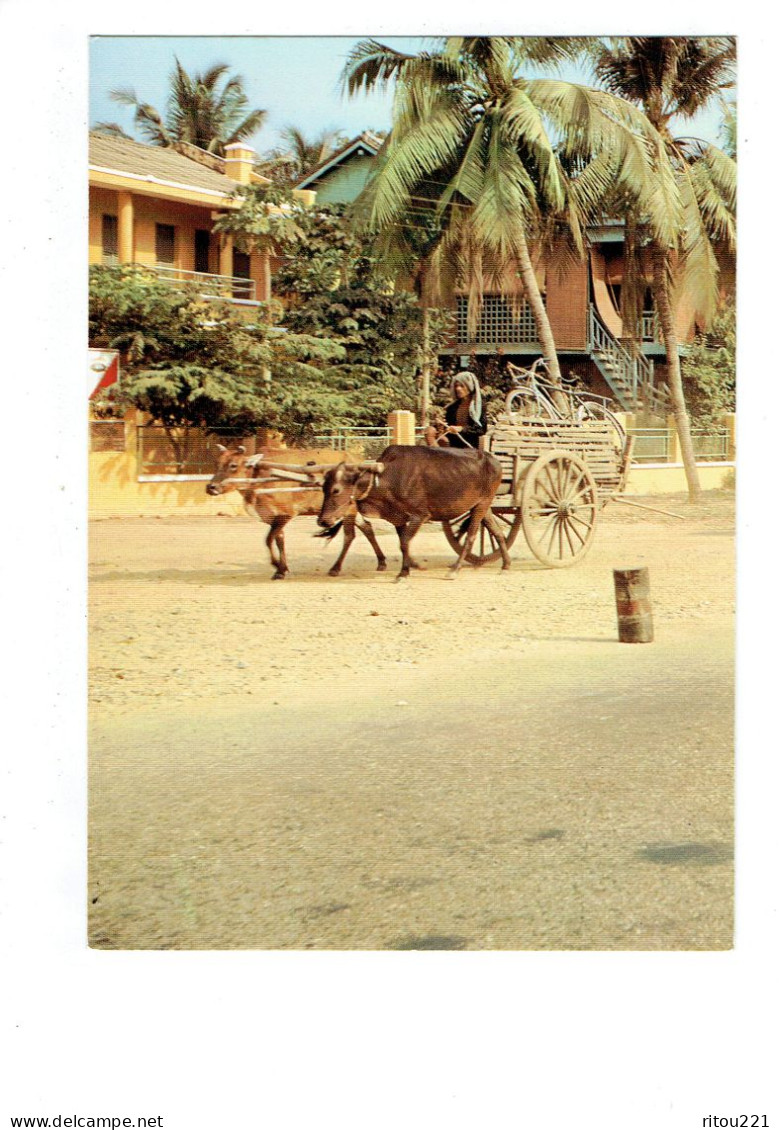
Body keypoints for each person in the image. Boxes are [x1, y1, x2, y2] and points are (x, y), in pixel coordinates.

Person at [425, 370, 487, 449]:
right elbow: (448, 424)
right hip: (453, 440)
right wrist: (440, 425)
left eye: (462, 386)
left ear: (470, 386)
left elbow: (481, 429)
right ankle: (440, 458)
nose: (458, 389)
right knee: (430, 431)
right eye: (456, 386)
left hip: (468, 442)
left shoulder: (478, 406)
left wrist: (461, 429)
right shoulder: (453, 406)